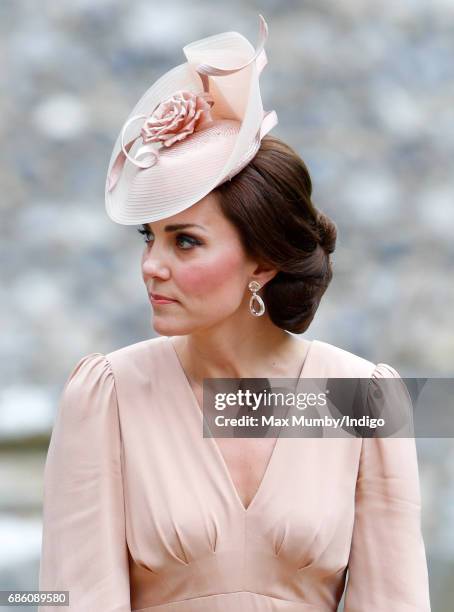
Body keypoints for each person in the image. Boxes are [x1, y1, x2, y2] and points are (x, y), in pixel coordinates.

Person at [38, 14, 431, 612]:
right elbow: (70, 600)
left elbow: (395, 601)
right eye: (150, 236)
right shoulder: (108, 395)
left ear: (262, 263)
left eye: (185, 241)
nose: (152, 265)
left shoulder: (362, 399)